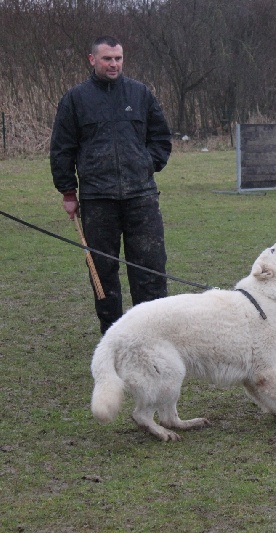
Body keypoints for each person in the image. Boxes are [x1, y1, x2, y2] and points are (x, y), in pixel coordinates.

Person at [50, 36, 172, 334]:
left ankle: (152, 333)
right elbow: (62, 148)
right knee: (102, 272)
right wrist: (68, 191)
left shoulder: (140, 94)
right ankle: (112, 334)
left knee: (149, 269)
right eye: (107, 59)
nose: (114, 64)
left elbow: (161, 139)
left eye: (118, 58)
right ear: (92, 60)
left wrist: (145, 164)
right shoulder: (76, 99)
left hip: (141, 197)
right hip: (96, 200)